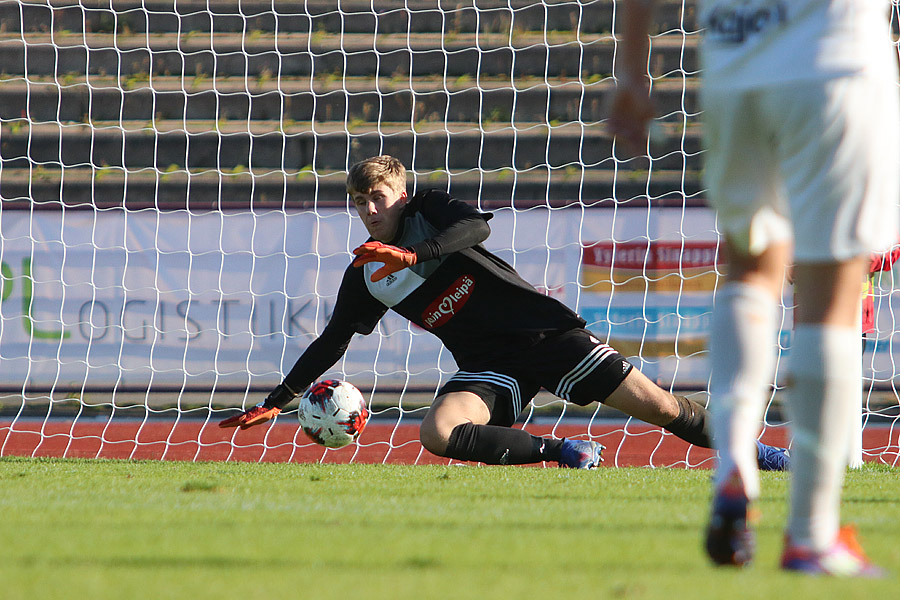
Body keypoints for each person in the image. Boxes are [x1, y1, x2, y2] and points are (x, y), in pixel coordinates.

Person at [220, 155, 788, 471]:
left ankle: (761, 454)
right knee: (436, 432)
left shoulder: (432, 213)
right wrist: (276, 402)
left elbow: (478, 225)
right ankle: (563, 451)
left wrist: (417, 253)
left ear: (401, 193)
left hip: (544, 334)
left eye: (380, 197)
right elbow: (331, 343)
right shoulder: (365, 274)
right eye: (360, 201)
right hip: (490, 365)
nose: (370, 210)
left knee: (662, 407)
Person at [609, 0, 896, 577]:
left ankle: (734, 461)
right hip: (833, 57)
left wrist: (633, 72)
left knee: (750, 268)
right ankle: (812, 534)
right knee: (834, 289)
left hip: (737, 61)